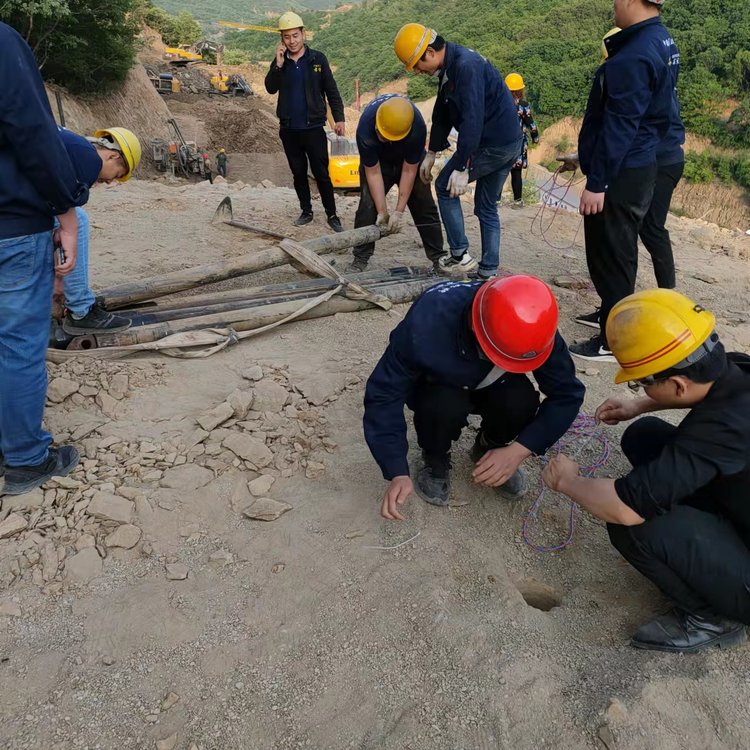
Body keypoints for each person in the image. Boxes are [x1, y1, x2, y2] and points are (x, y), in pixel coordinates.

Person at [543, 288, 750, 653]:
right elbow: (691, 397)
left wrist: (568, 481)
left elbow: (625, 506)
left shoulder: (724, 427)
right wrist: (637, 406)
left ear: (678, 384)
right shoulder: (735, 368)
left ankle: (708, 619)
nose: (640, 388)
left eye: (642, 381)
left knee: (634, 527)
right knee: (645, 436)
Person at [363, 275, 585, 517]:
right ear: (474, 324)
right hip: (440, 384)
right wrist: (396, 469)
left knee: (520, 401)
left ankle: (490, 446)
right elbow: (384, 394)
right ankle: (434, 456)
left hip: (494, 382)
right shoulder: (427, 322)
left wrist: (519, 450)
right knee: (440, 407)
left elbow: (566, 394)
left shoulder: (536, 327)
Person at [564, 0, 683, 362]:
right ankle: (609, 315)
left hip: (623, 171)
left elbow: (621, 123)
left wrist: (598, 181)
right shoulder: (662, 41)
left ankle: (613, 341)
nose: (614, 4)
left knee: (611, 253)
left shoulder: (633, 55)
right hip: (638, 162)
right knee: (619, 248)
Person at [0, 22, 89, 495]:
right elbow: (33, 133)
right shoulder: (2, 44)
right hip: (11, 224)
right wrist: (67, 211)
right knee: (16, 342)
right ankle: (25, 458)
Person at [393, 24, 522, 279]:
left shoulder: (465, 66)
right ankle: (488, 271)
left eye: (417, 66)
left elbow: (472, 121)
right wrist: (432, 152)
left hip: (493, 144)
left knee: (444, 186)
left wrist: (462, 166)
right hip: (507, 142)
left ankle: (460, 256)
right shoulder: (451, 64)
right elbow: (443, 112)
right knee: (486, 206)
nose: (418, 72)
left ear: (430, 52)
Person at [57, 126, 142, 335]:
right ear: (113, 155)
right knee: (79, 220)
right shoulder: (88, 158)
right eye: (117, 174)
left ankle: (70, 300)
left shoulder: (71, 144)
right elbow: (63, 206)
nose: (110, 181)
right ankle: (81, 311)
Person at [265, 11, 345, 233]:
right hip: (289, 129)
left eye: (295, 36)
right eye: (287, 37)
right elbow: (270, 87)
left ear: (303, 34)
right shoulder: (280, 63)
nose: (292, 41)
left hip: (313, 128)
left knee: (322, 173)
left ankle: (332, 214)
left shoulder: (317, 59)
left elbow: (332, 91)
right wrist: (279, 64)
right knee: (298, 172)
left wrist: (339, 118)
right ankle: (306, 211)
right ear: (282, 39)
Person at [350, 94, 445, 272]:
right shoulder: (365, 128)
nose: (379, 135)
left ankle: (438, 256)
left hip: (407, 161)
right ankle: (360, 257)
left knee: (424, 205)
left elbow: (409, 171)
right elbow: (373, 172)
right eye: (379, 131)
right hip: (379, 163)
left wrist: (399, 212)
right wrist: (382, 211)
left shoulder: (416, 128)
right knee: (367, 206)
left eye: (385, 136)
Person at [505, 73, 539, 209]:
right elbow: (531, 123)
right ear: (520, 90)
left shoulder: (499, 102)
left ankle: (495, 200)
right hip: (518, 144)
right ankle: (517, 201)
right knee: (516, 173)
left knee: (500, 172)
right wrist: (535, 137)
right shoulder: (523, 106)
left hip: (501, 143)